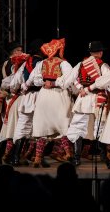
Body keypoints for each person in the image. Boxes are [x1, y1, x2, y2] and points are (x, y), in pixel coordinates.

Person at [24, 38, 74, 168]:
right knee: (63, 123)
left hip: (44, 95)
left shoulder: (41, 63)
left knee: (43, 125)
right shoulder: (64, 64)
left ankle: (38, 158)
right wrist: (54, 83)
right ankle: (68, 154)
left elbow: (33, 78)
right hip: (58, 95)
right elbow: (69, 79)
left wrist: (44, 82)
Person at [61, 41, 110, 166]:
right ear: (100, 52)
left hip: (83, 98)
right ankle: (105, 159)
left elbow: (70, 80)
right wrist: (87, 88)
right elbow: (106, 83)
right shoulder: (103, 65)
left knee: (78, 126)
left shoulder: (80, 64)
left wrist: (81, 88)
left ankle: (77, 158)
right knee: (100, 127)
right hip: (96, 97)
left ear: (90, 52)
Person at [9, 38, 45, 166]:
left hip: (27, 98)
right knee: (41, 128)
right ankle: (39, 158)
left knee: (23, 127)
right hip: (40, 96)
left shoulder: (25, 63)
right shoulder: (43, 63)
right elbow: (39, 81)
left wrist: (17, 91)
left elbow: (14, 83)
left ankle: (15, 157)